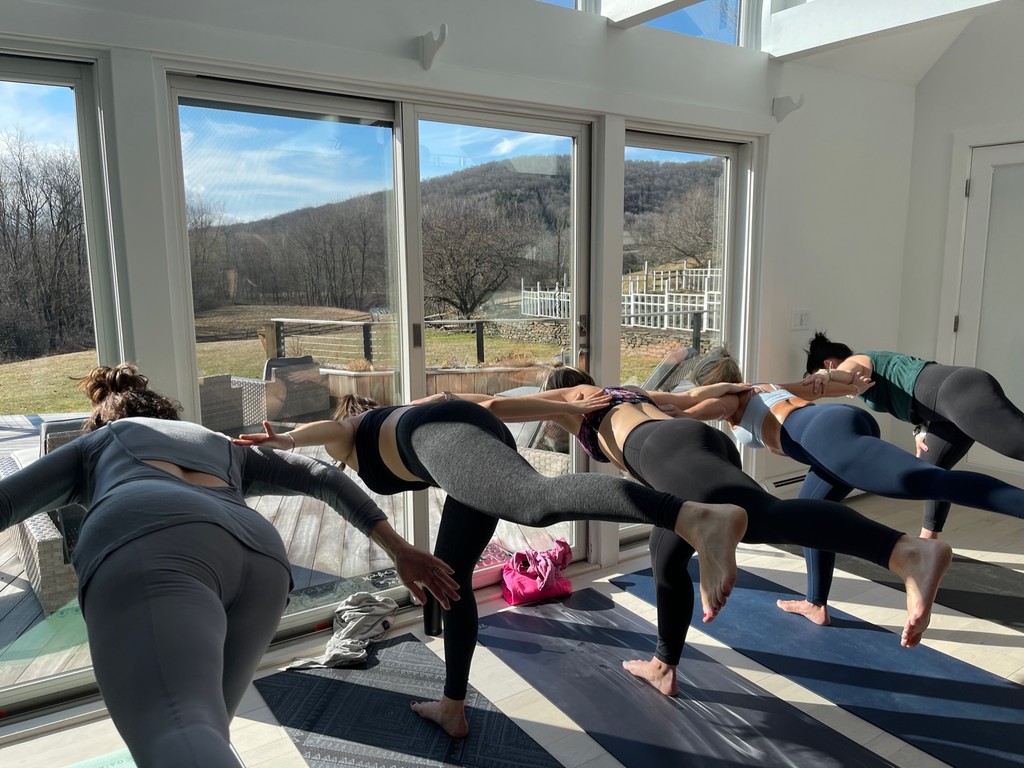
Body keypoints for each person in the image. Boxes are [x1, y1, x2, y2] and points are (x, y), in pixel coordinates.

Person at [0, 364, 460, 768]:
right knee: (202, 732)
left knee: (177, 729)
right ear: (167, 415)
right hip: (260, 560)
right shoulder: (216, 441)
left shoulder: (101, 440)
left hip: (151, 538)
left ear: (103, 418)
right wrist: (399, 549)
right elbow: (321, 475)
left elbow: (7, 502)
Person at [234, 391, 750, 736]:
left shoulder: (353, 431)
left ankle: (691, 516)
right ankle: (452, 707)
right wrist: (556, 405)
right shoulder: (400, 411)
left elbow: (330, 427)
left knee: (532, 499)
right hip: (468, 432)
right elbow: (472, 403)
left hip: (441, 434)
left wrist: (287, 439)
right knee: (450, 578)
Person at [458, 365, 952, 698]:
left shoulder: (577, 398)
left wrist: (439, 402)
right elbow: (706, 397)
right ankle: (664, 665)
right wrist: (769, 386)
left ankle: (903, 552)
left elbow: (493, 405)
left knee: (761, 517)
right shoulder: (632, 392)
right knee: (666, 554)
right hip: (696, 441)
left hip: (659, 451)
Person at [688, 347, 1024, 627]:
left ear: (709, 385)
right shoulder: (763, 386)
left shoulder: (729, 401)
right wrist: (842, 381)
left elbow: (696, 408)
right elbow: (822, 388)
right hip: (833, 429)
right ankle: (815, 603)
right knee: (810, 515)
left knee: (930, 481)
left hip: (824, 438)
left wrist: (674, 411)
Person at [803, 331, 1024, 538]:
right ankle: (928, 542)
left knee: (1017, 446)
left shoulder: (855, 362)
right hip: (943, 412)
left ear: (829, 363)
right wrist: (921, 428)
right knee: (930, 473)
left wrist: (825, 375)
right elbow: (910, 393)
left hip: (960, 392)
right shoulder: (860, 382)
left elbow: (846, 372)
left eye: (815, 376)